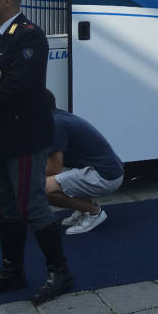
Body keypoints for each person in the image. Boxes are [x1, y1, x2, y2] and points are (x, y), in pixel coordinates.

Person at [0, 0, 73, 304]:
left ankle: (60, 271)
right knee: (6, 204)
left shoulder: (28, 36)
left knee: (32, 203)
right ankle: (13, 269)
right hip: (1, 136)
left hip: (23, 136)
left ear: (6, 0)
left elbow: (16, 86)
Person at [45, 91, 123, 235]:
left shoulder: (55, 124)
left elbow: (53, 169)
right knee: (49, 180)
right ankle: (84, 208)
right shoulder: (58, 117)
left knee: (40, 189)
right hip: (105, 171)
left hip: (105, 176)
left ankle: (93, 212)